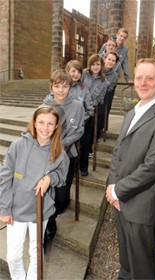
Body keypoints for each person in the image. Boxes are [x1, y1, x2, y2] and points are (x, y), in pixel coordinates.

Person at [106, 58, 155, 279]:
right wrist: (112, 188)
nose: (143, 82)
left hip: (143, 207)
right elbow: (118, 153)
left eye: (150, 78)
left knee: (143, 268)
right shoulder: (131, 113)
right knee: (126, 262)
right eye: (139, 77)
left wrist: (118, 190)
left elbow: (153, 167)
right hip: (121, 202)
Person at [0, 105, 69, 280]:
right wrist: (4, 208)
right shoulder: (18, 145)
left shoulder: (59, 151)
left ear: (56, 126)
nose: (45, 128)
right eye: (41, 122)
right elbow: (5, 177)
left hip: (41, 210)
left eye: (50, 124)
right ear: (34, 122)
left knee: (36, 253)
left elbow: (62, 176)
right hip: (16, 210)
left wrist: (49, 179)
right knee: (13, 256)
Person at [43, 69, 85, 240]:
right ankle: (50, 222)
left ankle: (57, 210)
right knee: (48, 191)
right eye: (57, 86)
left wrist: (63, 143)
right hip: (47, 156)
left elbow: (80, 130)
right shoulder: (45, 106)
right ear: (52, 86)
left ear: (70, 87)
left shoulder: (77, 106)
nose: (61, 90)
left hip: (68, 155)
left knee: (62, 196)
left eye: (65, 86)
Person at [66, 59, 94, 176]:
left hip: (82, 123)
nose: (76, 74)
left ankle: (83, 167)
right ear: (67, 71)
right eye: (73, 71)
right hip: (66, 124)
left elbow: (90, 109)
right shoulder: (63, 86)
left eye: (78, 72)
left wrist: (81, 120)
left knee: (83, 145)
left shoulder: (84, 89)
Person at [81, 53, 109, 156]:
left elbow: (100, 97)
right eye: (93, 64)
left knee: (88, 133)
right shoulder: (84, 74)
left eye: (98, 64)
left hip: (91, 109)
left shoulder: (104, 82)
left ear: (101, 65)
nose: (95, 67)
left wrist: (90, 105)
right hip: (78, 106)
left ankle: (87, 151)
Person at [98, 51, 119, 134]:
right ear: (104, 59)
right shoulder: (97, 68)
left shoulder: (114, 76)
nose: (110, 62)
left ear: (115, 63)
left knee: (101, 117)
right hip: (91, 97)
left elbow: (109, 89)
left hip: (104, 98)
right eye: (109, 59)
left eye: (113, 61)